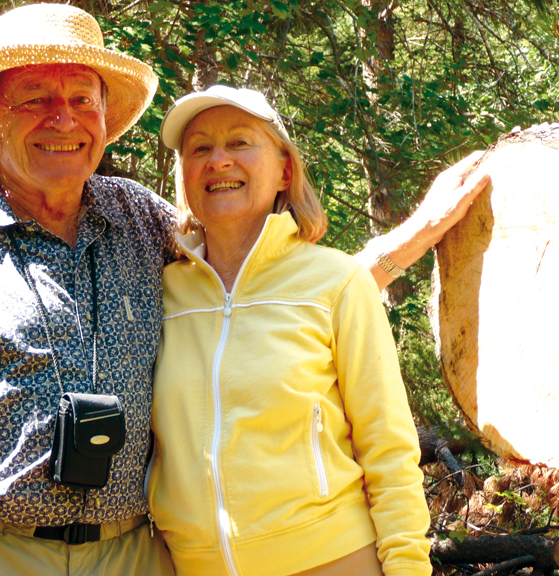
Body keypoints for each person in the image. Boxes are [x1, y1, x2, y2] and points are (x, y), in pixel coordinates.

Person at [0, 5, 489, 576]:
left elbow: (265, 292)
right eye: (34, 100)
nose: (62, 118)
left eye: (80, 99)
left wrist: (413, 238)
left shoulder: (141, 221)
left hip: (131, 555)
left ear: (104, 118)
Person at [147, 86, 433, 576]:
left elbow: (389, 448)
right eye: (199, 148)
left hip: (333, 560)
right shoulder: (159, 293)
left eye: (240, 142)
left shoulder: (337, 282)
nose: (218, 160)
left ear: (284, 169)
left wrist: (408, 566)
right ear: (185, 176)